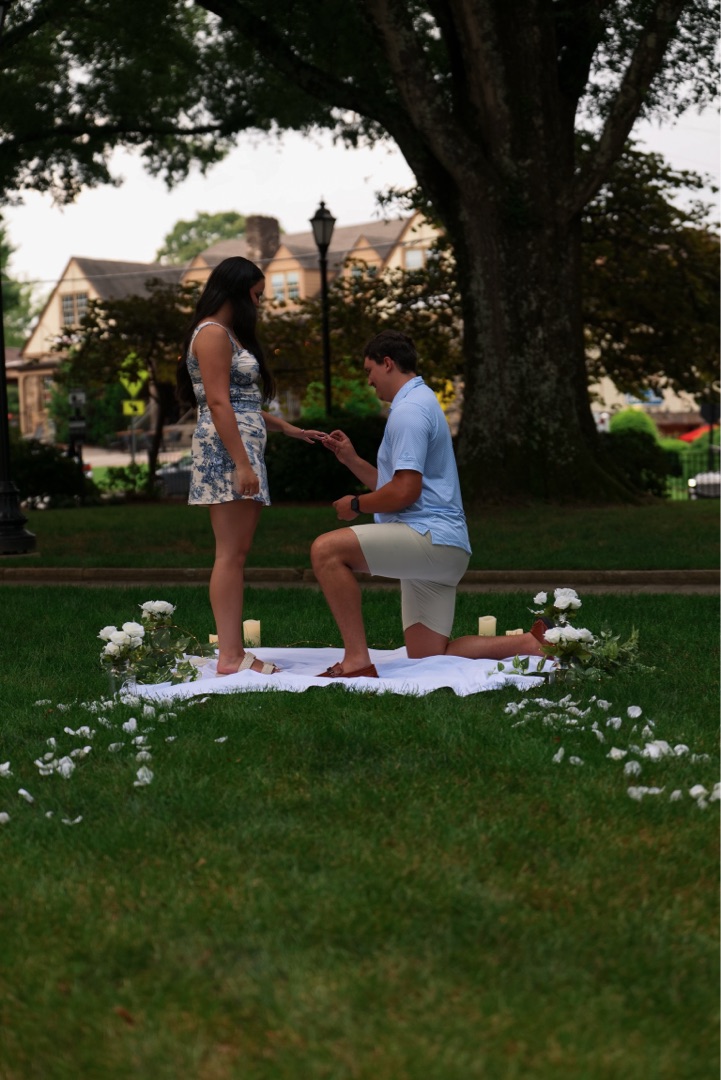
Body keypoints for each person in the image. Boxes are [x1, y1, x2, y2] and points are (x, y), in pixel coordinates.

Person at [310, 329, 548, 678]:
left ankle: (356, 661)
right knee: (427, 656)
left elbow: (405, 492)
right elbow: (395, 488)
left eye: (369, 370)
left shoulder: (408, 412)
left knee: (325, 551)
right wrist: (350, 459)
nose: (369, 380)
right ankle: (531, 644)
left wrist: (357, 505)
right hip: (443, 548)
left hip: (429, 539)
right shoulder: (421, 402)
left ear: (387, 364)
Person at [177, 256, 325, 676]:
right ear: (240, 290)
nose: (259, 304)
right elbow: (219, 403)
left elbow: (245, 406)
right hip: (227, 452)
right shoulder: (211, 334)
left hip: (240, 446)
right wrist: (242, 463)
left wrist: (293, 431)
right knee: (230, 554)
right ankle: (230, 656)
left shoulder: (226, 335)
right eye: (257, 295)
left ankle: (232, 651)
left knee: (236, 553)